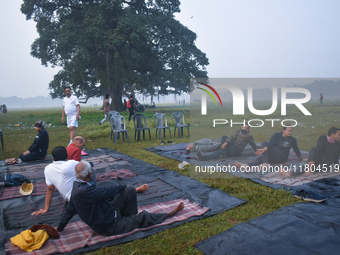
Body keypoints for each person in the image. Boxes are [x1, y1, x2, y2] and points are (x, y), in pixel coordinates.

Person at [57, 161, 184, 235]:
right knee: (142, 216)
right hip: (109, 226)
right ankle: (168, 214)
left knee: (128, 190)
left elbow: (69, 210)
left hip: (110, 213)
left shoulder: (77, 187)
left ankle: (129, 217)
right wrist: (123, 185)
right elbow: (107, 192)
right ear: (90, 174)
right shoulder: (86, 191)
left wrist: (60, 227)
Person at [31, 146, 79, 216]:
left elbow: (50, 188)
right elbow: (87, 168)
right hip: (83, 197)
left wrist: (45, 208)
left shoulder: (48, 168)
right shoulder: (72, 163)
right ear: (67, 156)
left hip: (71, 199)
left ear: (53, 158)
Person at [235, 127, 304, 168]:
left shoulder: (292, 139)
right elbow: (270, 144)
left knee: (265, 144)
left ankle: (265, 163)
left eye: (291, 131)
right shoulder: (277, 135)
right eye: (289, 131)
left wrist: (301, 159)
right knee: (262, 157)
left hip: (282, 157)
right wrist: (263, 150)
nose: (290, 133)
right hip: (274, 155)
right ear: (284, 130)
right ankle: (247, 165)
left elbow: (296, 149)